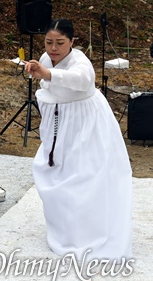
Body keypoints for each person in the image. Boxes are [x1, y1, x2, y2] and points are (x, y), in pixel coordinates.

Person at [24, 18, 132, 263]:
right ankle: (65, 229)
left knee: (84, 177)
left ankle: (88, 233)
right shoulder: (44, 58)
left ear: (72, 42)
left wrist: (48, 74)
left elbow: (82, 80)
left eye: (60, 43)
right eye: (49, 42)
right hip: (60, 126)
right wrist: (41, 73)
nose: (53, 48)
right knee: (57, 175)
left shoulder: (81, 61)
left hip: (87, 125)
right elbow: (48, 86)